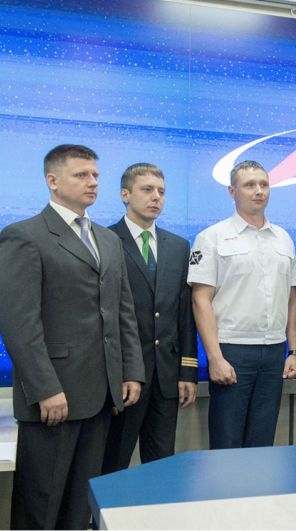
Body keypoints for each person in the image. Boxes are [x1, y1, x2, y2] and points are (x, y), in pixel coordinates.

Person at [0, 144, 144, 529]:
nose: (93, 182)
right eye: (81, 175)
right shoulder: (24, 236)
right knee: (41, 506)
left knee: (81, 507)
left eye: (95, 175)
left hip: (101, 396)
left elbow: (121, 312)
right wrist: (45, 388)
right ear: (52, 180)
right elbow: (19, 323)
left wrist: (130, 371)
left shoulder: (107, 239)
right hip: (54, 397)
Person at [188, 160, 296, 449]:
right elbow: (201, 299)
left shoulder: (284, 239)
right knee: (227, 442)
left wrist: (293, 351)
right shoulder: (211, 237)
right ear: (231, 191)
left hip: (274, 351)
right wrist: (214, 358)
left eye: (263, 184)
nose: (258, 191)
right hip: (232, 350)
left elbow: (291, 298)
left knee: (262, 443)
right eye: (250, 185)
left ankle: (258, 495)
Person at [102, 163, 198, 473]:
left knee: (161, 463)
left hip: (167, 376)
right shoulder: (105, 241)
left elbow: (185, 313)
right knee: (113, 461)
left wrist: (187, 372)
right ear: (125, 195)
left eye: (161, 192)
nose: (156, 197)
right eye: (147, 190)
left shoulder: (178, 246)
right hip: (124, 375)